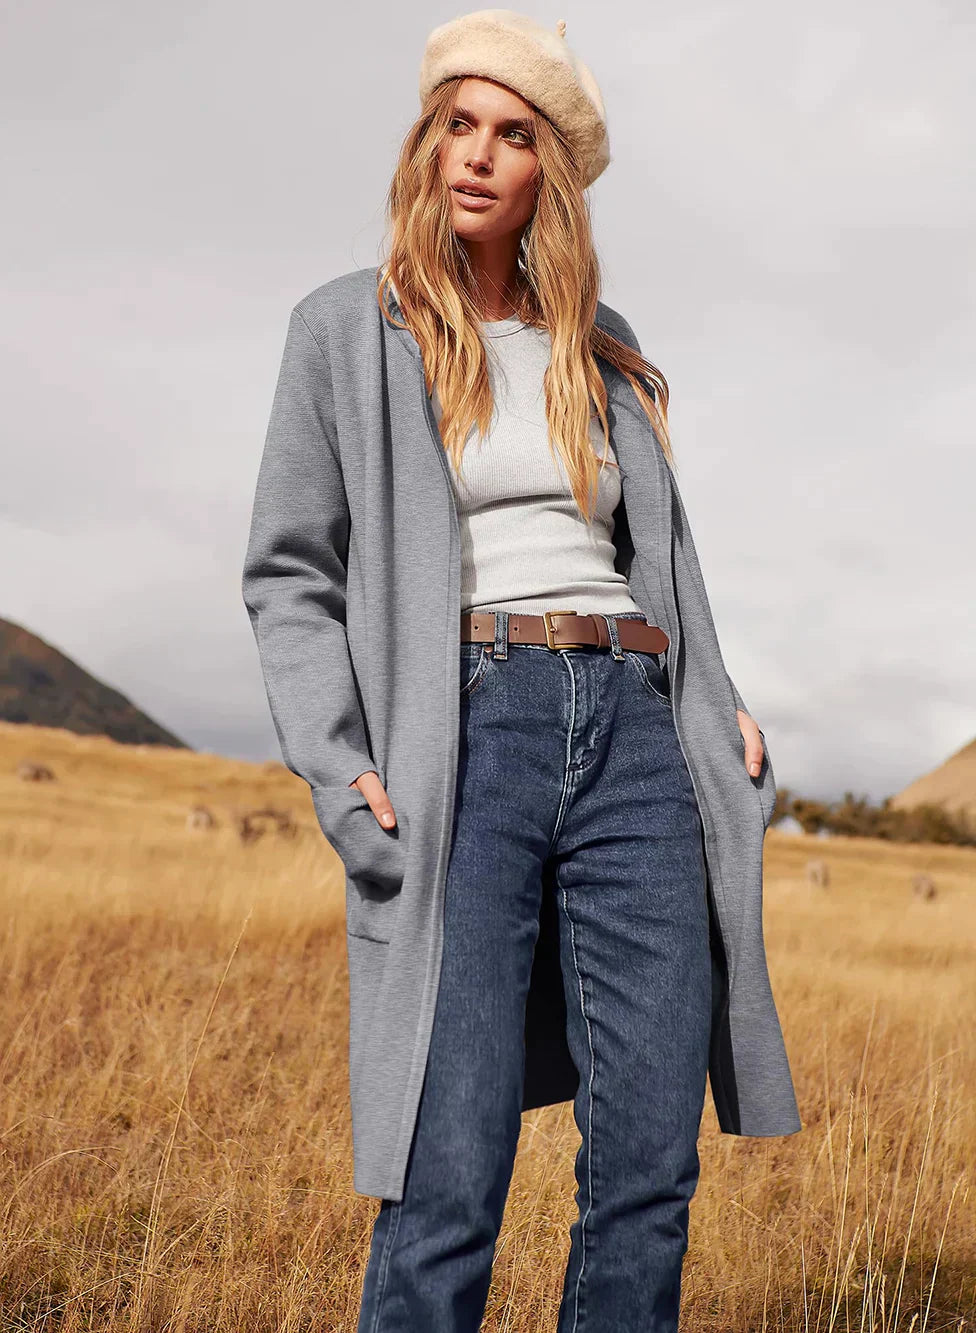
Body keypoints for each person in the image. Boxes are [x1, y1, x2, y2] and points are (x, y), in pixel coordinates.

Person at [241, 10, 802, 1331]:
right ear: (426, 142)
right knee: (450, 1179)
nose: (478, 157)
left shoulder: (599, 340)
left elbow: (658, 558)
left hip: (637, 731)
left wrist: (715, 705)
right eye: (457, 125)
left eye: (511, 134)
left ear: (551, 167)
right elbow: (287, 570)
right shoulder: (348, 329)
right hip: (471, 731)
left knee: (649, 1172)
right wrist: (338, 757)